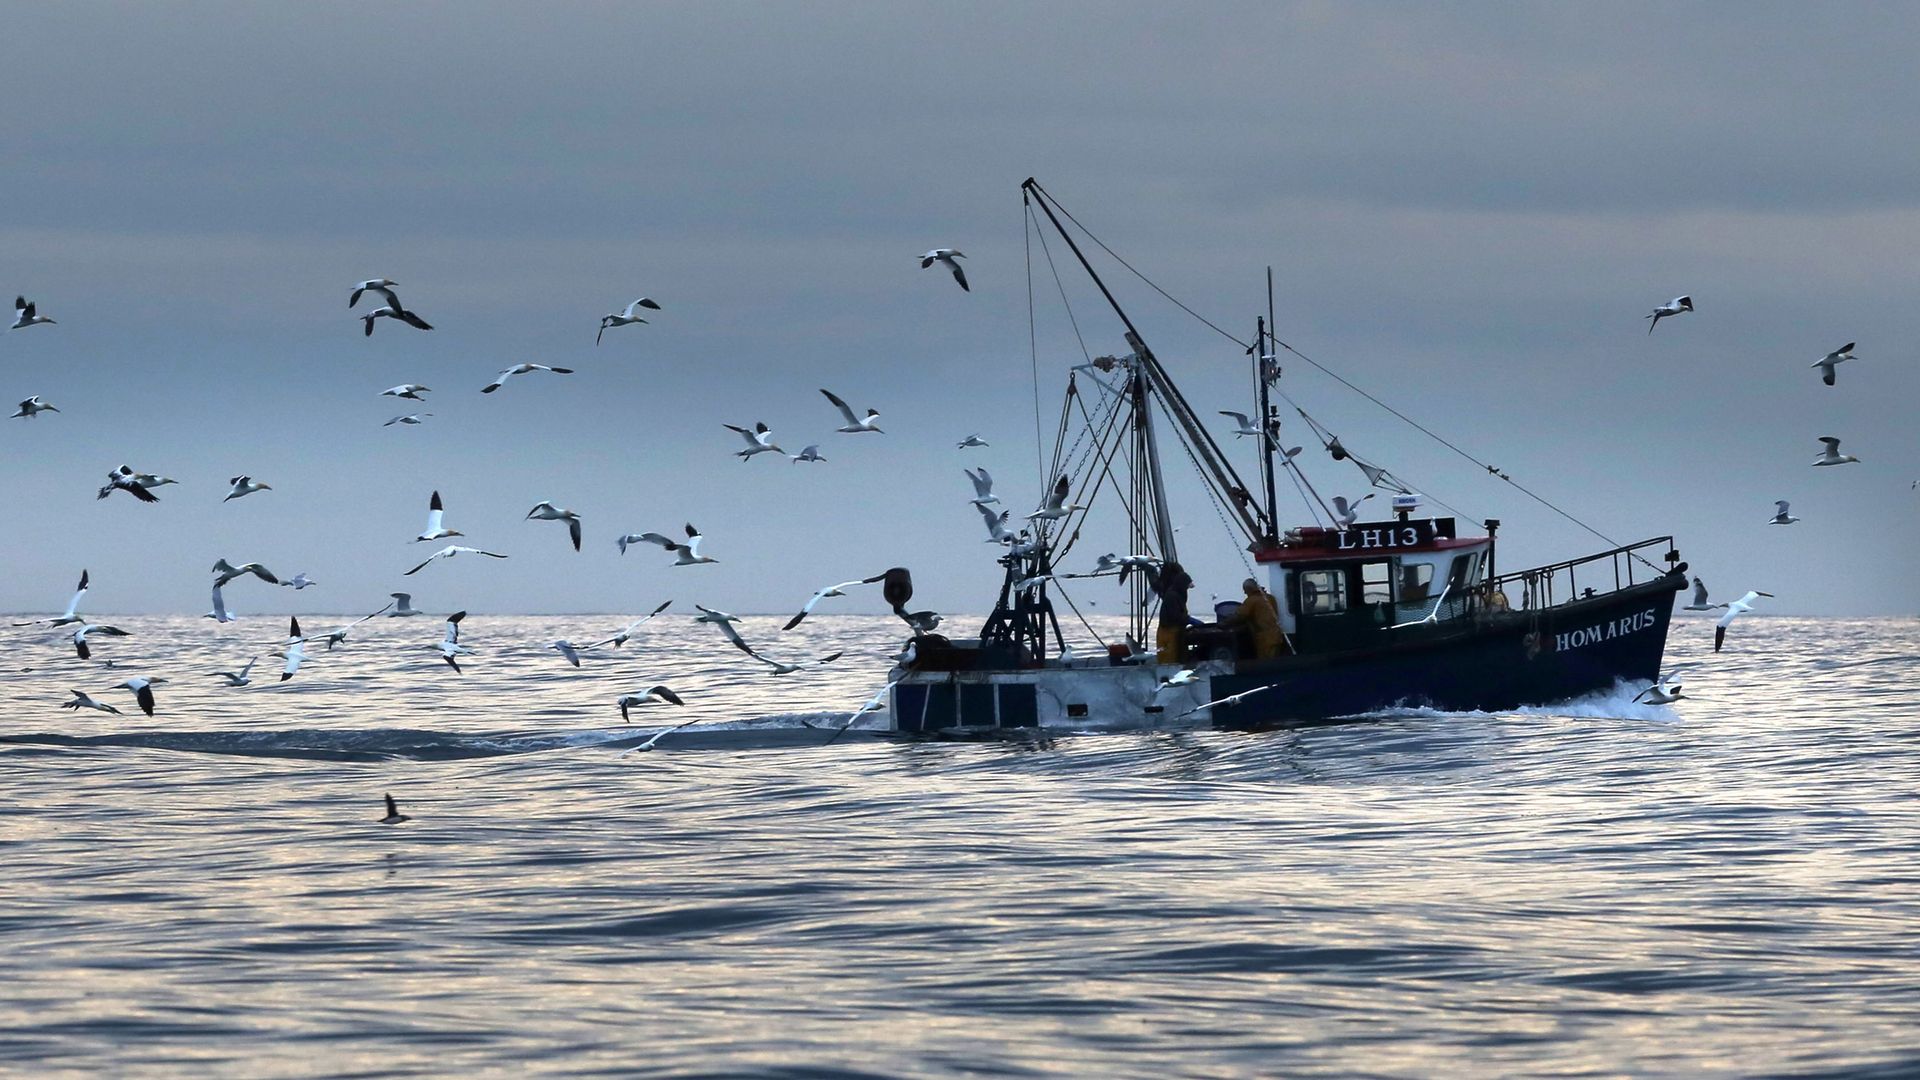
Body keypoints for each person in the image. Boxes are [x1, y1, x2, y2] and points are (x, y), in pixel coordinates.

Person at [1142, 560, 1192, 663]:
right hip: (1168, 635)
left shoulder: (1174, 594)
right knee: (1168, 661)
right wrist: (1189, 619)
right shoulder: (1172, 596)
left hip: (1173, 633)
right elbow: (1175, 617)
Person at [1223, 577, 1284, 659]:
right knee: (1274, 662)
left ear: (1249, 589)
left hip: (1265, 639)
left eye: (1245, 590)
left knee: (1266, 663)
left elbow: (1240, 616)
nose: (1244, 592)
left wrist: (1224, 623)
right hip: (1276, 636)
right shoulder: (1270, 598)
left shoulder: (1251, 600)